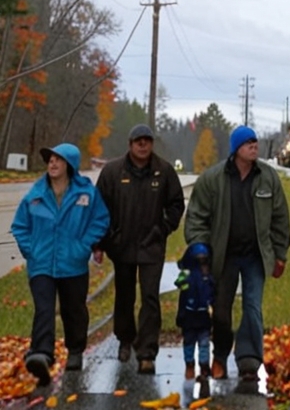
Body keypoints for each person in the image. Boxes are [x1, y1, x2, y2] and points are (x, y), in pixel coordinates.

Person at [184, 125, 290, 381]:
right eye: (248, 143)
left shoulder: (268, 177)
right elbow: (196, 217)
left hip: (256, 255)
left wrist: (280, 254)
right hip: (224, 256)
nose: (254, 146)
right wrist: (200, 249)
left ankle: (248, 360)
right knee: (221, 310)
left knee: (252, 307)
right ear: (236, 150)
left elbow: (280, 218)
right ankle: (220, 356)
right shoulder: (214, 179)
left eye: (255, 142)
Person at [11, 143, 109, 386]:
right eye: (50, 160)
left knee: (73, 309)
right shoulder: (35, 194)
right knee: (44, 308)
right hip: (41, 264)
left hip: (73, 263)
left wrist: (84, 245)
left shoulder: (86, 194)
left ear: (70, 165)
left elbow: (100, 220)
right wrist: (30, 250)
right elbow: (20, 226)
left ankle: (75, 350)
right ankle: (42, 355)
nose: (52, 164)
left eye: (58, 160)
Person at [95, 123, 186, 374]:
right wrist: (102, 242)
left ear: (152, 144)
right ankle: (126, 340)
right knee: (124, 296)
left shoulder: (164, 171)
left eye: (147, 141)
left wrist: (164, 228)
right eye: (138, 141)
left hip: (151, 246)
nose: (143, 145)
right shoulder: (113, 172)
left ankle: (147, 351)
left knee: (150, 297)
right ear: (130, 144)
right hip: (121, 245)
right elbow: (98, 209)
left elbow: (176, 204)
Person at [174, 242, 214, 381]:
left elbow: (213, 295)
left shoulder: (208, 279)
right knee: (190, 342)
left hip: (202, 314)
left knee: (203, 342)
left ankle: (203, 366)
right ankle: (190, 364)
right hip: (190, 314)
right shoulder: (188, 277)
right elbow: (182, 295)